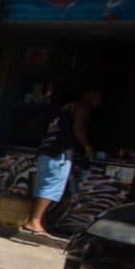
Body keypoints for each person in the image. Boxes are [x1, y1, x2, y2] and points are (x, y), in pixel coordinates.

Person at [23, 89, 103, 236]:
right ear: (91, 95)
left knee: (44, 187)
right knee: (51, 188)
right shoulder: (82, 106)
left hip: (46, 149)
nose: (100, 102)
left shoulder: (65, 108)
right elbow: (79, 128)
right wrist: (87, 147)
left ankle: (38, 220)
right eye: (100, 98)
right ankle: (34, 221)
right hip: (58, 152)